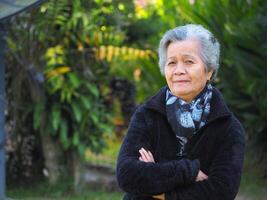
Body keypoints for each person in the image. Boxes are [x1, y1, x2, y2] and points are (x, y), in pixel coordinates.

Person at [116, 24, 245, 200]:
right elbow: (127, 175)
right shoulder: (147, 115)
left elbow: (221, 191)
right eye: (172, 62)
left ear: (209, 71)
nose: (178, 71)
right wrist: (189, 171)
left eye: (189, 61)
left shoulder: (229, 128)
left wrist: (159, 188)